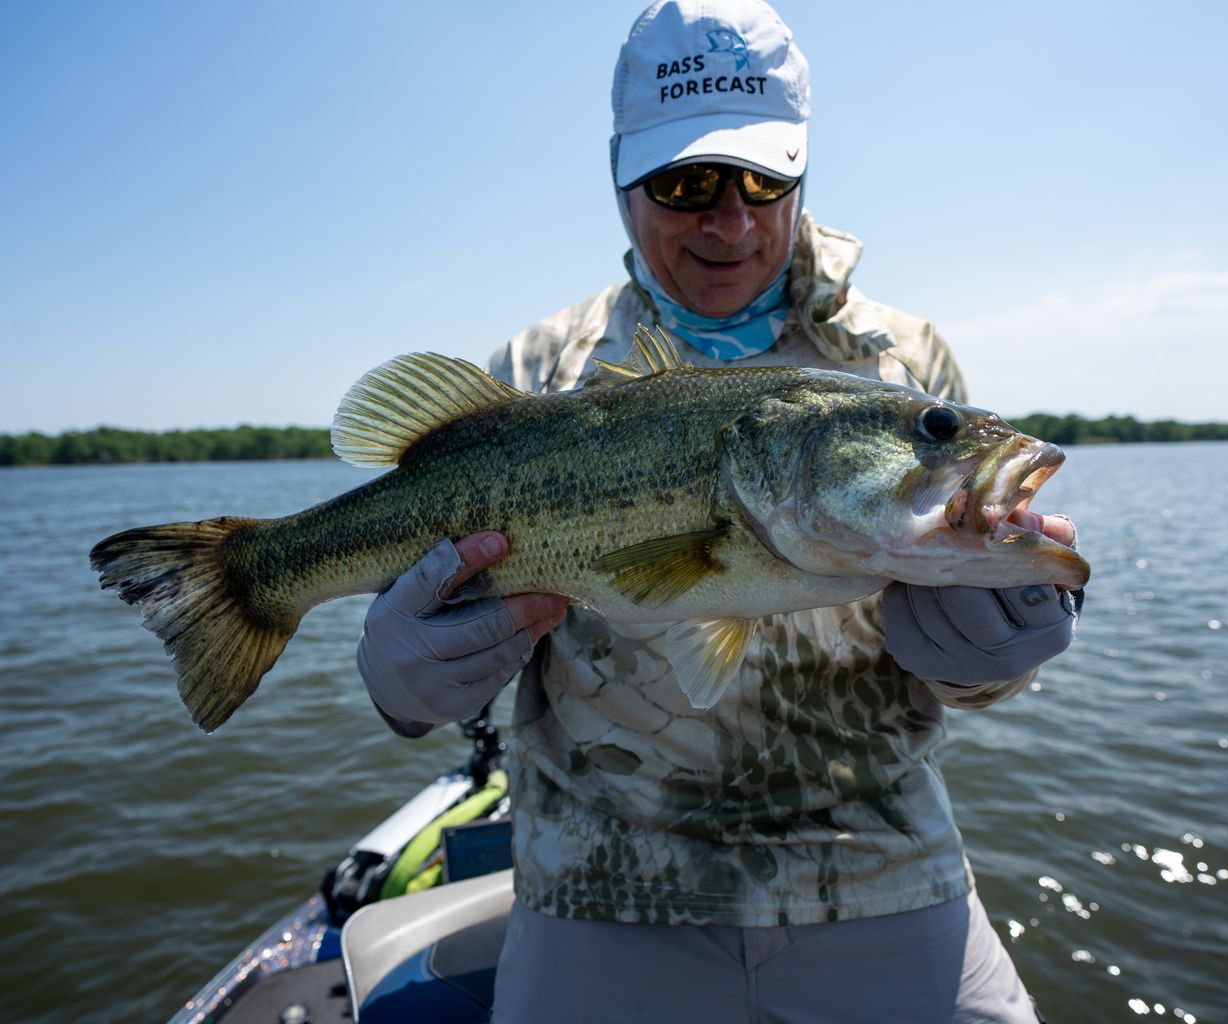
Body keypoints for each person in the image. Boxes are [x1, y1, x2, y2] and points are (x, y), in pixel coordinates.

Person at [357, 1, 1081, 1020]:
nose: (729, 220)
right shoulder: (537, 376)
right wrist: (404, 684)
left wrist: (989, 658)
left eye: (761, 180)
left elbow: (967, 674)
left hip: (881, 863)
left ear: (799, 169)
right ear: (619, 179)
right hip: (599, 884)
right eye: (685, 184)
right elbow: (435, 644)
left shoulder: (902, 367)